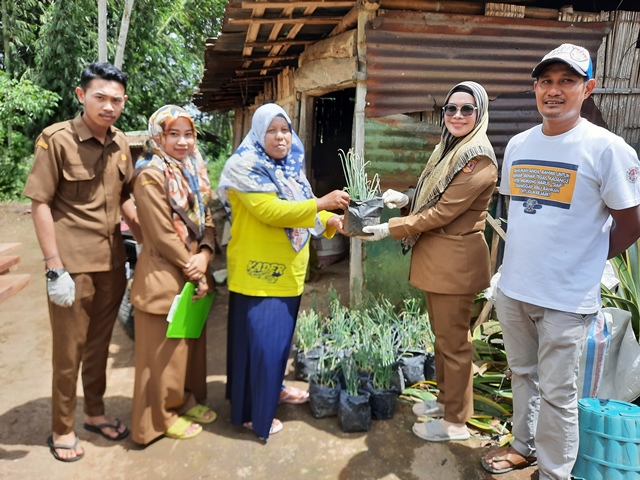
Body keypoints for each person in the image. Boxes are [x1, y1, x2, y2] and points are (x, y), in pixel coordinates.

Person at [481, 44, 640, 479]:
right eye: (546, 81)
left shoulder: (607, 149)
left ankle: (554, 473)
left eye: (567, 81)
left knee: (558, 394)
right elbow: (523, 214)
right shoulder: (519, 144)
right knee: (522, 374)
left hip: (566, 299)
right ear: (536, 88)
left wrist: (586, 261)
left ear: (587, 88)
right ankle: (523, 447)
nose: (554, 90)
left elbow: (630, 224)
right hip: (514, 288)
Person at [361, 81, 498, 442]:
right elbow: (432, 194)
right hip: (441, 258)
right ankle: (445, 402)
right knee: (443, 339)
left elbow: (443, 212)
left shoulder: (478, 157)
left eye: (467, 109)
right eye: (451, 108)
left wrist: (390, 228)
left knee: (454, 344)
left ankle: (456, 423)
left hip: (455, 261)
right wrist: (406, 198)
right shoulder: (448, 149)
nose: (457, 115)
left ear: (480, 113)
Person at [23, 62, 140, 462]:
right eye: (100, 97)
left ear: (124, 102)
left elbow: (125, 198)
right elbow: (39, 203)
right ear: (81, 95)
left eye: (116, 100)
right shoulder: (56, 140)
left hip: (112, 263)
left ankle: (94, 412)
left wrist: (147, 240)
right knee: (68, 351)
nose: (109, 106)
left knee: (99, 345)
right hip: (71, 267)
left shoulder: (121, 142)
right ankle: (62, 428)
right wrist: (53, 266)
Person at [217, 103, 350, 441]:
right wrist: (322, 203)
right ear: (257, 134)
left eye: (285, 130)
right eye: (272, 130)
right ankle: (252, 413)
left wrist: (330, 220)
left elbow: (302, 209)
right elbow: (272, 211)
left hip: (288, 272)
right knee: (261, 347)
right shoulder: (244, 166)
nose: (280, 137)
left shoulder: (289, 167)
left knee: (276, 345)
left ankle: (272, 390)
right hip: (258, 274)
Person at [129, 105, 217, 445]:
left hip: (193, 270)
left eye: (188, 134)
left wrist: (205, 255)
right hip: (164, 274)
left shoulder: (193, 169)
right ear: (158, 136)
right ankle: (159, 418)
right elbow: (163, 234)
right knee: (162, 353)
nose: (183, 142)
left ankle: (183, 402)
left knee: (187, 349)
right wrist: (194, 269)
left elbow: (208, 218)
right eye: (173, 134)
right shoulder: (149, 174)